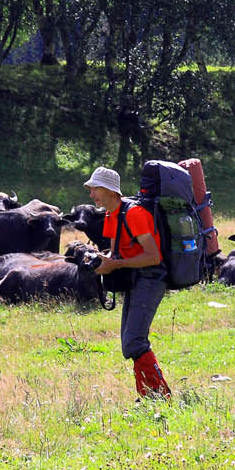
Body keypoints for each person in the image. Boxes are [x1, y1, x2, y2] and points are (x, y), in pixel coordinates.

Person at [83, 166, 172, 399]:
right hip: (136, 277)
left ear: (112, 191)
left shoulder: (134, 214)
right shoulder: (111, 214)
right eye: (91, 189)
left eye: (96, 189)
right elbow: (115, 253)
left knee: (134, 341)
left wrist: (116, 265)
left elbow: (153, 257)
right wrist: (100, 260)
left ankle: (160, 395)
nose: (92, 195)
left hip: (151, 278)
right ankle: (149, 395)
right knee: (129, 343)